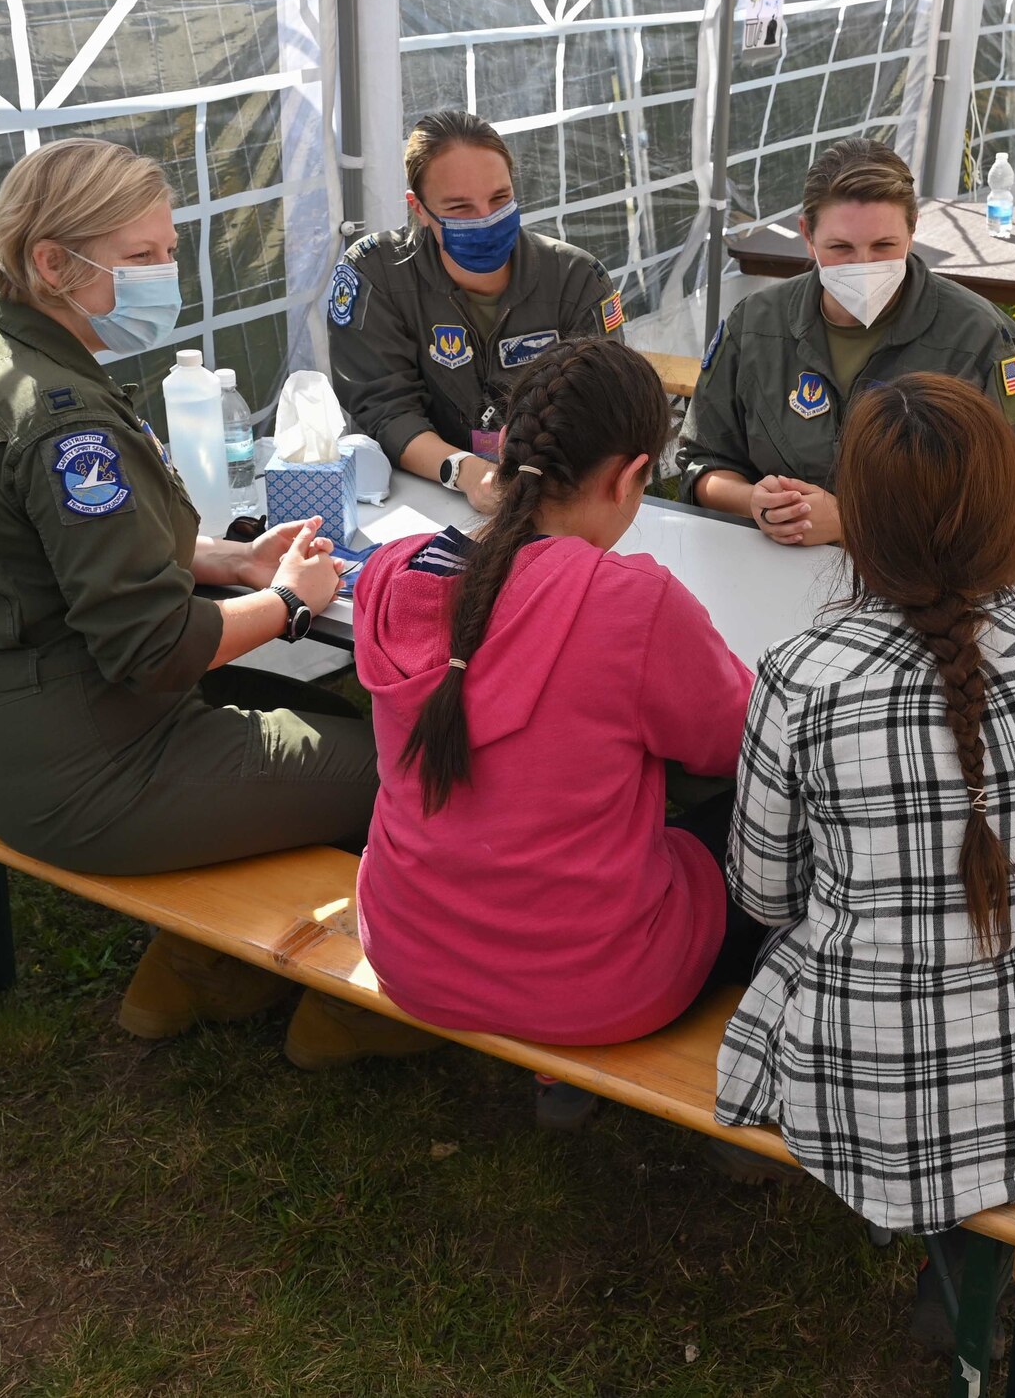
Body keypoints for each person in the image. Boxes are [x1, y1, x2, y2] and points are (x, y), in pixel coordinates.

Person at [713, 373, 1015, 1342]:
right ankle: (962, 1271)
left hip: (862, 1103)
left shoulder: (803, 675)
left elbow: (762, 892)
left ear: (853, 520)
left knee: (776, 948)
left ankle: (896, 1213)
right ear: (1010, 505)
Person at [0, 137, 379, 1043]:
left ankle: (190, 969)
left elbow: (62, 557)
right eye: (140, 257)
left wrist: (231, 562)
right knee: (391, 774)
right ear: (51, 262)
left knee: (343, 727)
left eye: (168, 251)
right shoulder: (65, 419)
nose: (167, 274)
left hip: (28, 733)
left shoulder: (1, 358)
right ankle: (339, 998)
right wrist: (289, 599)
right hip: (96, 766)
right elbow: (153, 650)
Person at [319, 337, 760, 1122]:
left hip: (411, 950)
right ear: (630, 477)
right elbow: (740, 738)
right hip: (605, 981)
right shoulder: (631, 601)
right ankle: (767, 1053)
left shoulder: (391, 574)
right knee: (752, 820)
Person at [677, 138, 1015, 546]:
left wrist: (856, 525)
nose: (864, 266)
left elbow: (1009, 513)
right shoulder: (755, 325)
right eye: (840, 247)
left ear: (913, 230)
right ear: (806, 234)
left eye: (884, 246)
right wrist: (755, 502)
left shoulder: (979, 338)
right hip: (775, 572)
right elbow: (703, 461)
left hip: (924, 584)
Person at [327, 111, 626, 516]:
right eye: (460, 207)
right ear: (419, 209)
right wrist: (465, 472)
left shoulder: (576, 280)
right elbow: (386, 409)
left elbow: (601, 411)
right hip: (418, 500)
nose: (486, 218)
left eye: (500, 198)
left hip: (553, 499)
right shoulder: (375, 274)